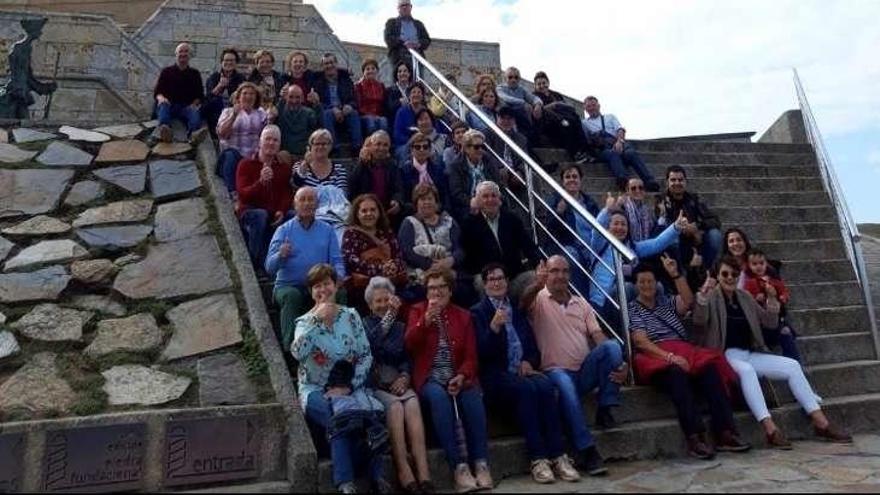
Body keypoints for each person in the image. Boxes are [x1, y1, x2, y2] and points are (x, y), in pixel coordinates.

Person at [693, 256, 852, 448]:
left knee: (792, 366)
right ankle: (770, 429)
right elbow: (699, 322)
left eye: (734, 274)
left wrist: (771, 299)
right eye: (725, 274)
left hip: (750, 353)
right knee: (747, 371)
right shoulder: (711, 297)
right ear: (717, 276)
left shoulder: (744, 297)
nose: (730, 278)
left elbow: (769, 322)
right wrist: (702, 295)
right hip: (725, 355)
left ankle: (821, 423)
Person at [472, 263, 581, 485]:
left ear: (507, 281)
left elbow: (531, 344)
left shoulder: (515, 309)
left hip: (521, 371)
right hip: (496, 376)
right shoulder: (477, 313)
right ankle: (538, 458)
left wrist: (528, 362)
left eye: (500, 278)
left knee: (546, 387)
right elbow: (481, 354)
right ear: (485, 285)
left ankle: (559, 456)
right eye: (491, 279)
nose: (497, 282)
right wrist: (493, 329)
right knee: (528, 390)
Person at [628, 261, 750, 460]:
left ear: (656, 283)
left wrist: (676, 275)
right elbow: (640, 341)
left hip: (682, 350)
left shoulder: (666, 301)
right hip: (657, 355)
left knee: (710, 369)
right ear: (635, 285)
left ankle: (725, 432)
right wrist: (669, 357)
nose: (647, 285)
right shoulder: (633, 309)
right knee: (677, 375)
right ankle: (694, 437)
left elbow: (688, 301)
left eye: (650, 281)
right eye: (642, 282)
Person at [520, 256, 624, 475]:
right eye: (554, 271)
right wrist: (537, 284)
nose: (560, 276)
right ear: (546, 273)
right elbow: (521, 304)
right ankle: (587, 450)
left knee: (613, 348)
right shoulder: (538, 299)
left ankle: (605, 405)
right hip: (554, 371)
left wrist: (618, 364)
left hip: (583, 370)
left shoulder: (581, 302)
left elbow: (596, 334)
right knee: (565, 385)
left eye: (565, 271)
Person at [291, 264, 389, 494]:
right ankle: (346, 483)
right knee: (340, 417)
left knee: (371, 412)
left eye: (327, 283)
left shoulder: (351, 315)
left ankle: (376, 478)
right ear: (311, 292)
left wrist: (350, 386)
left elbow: (365, 355)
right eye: (317, 285)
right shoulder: (304, 322)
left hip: (350, 386)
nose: (322, 289)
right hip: (316, 388)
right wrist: (317, 321)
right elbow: (297, 352)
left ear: (335, 286)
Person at [405, 268, 493, 493]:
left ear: (450, 290)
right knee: (439, 398)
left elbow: (471, 357)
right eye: (431, 288)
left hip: (457, 375)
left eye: (441, 287)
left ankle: (481, 463)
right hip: (430, 377)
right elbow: (409, 345)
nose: (436, 292)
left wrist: (462, 375)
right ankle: (459, 467)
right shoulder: (417, 311)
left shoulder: (463, 316)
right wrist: (424, 322)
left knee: (472, 397)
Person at [363, 277, 433, 493]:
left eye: (387, 299)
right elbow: (372, 347)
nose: (383, 305)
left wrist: (404, 376)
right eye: (378, 301)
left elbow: (405, 355)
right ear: (370, 305)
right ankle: (403, 470)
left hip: (398, 381)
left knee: (411, 403)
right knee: (394, 407)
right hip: (376, 383)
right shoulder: (364, 324)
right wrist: (389, 318)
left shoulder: (401, 325)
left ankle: (423, 472)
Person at [586, 194, 687, 329]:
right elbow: (596, 230)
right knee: (627, 288)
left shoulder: (632, 248)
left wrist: (676, 227)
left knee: (657, 287)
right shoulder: (600, 246)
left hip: (628, 300)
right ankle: (625, 333)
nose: (620, 227)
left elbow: (656, 244)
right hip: (602, 302)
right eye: (615, 223)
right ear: (608, 227)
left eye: (623, 224)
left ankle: (661, 323)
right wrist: (607, 210)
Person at [266, 187, 347, 351]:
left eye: (311, 200)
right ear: (295, 205)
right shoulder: (283, 230)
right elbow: (269, 267)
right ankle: (291, 348)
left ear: (317, 204)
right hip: (288, 286)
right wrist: (280, 255)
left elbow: (337, 260)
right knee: (292, 296)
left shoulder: (327, 230)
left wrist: (339, 276)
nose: (307, 203)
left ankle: (339, 342)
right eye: (302, 200)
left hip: (318, 284)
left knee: (339, 293)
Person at [461, 181, 540, 295]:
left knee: (536, 278)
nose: (490, 200)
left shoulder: (512, 219)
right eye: (485, 196)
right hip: (488, 277)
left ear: (499, 200)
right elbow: (469, 259)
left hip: (513, 276)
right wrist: (493, 275)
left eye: (494, 196)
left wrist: (539, 265)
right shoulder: (469, 224)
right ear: (477, 201)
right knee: (479, 282)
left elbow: (528, 246)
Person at [398, 183, 472, 305]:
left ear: (436, 202)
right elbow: (407, 252)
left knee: (463, 291)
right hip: (421, 273)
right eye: (422, 199)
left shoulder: (449, 221)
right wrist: (432, 266)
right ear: (416, 203)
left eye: (430, 199)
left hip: (449, 269)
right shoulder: (408, 223)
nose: (426, 202)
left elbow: (460, 248)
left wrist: (450, 261)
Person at [235, 124, 291, 269]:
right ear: (260, 142)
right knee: (260, 215)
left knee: (294, 216)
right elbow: (243, 195)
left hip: (273, 211)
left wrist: (282, 210)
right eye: (268, 139)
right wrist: (260, 182)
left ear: (280, 145)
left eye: (275, 140)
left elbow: (286, 193)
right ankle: (255, 265)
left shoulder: (283, 168)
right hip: (251, 211)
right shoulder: (245, 164)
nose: (271, 143)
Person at [342, 194, 409, 312]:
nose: (369, 214)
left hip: (390, 282)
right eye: (364, 211)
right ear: (357, 214)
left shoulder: (387, 232)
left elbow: (398, 257)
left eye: (373, 210)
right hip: (362, 286)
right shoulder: (350, 234)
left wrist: (392, 268)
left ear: (379, 212)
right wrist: (380, 269)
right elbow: (351, 261)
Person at [582, 96, 659, 192]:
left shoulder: (610, 117)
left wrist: (620, 142)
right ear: (585, 109)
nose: (592, 108)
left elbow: (620, 129)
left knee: (631, 153)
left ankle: (649, 181)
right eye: (589, 106)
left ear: (599, 106)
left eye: (593, 105)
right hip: (601, 149)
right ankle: (624, 182)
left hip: (616, 142)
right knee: (612, 154)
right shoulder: (584, 123)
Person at [659, 165, 723, 271]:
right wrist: (683, 229)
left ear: (685, 182)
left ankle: (704, 271)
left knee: (715, 235)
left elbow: (714, 220)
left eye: (680, 180)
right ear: (667, 182)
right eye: (673, 180)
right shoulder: (661, 201)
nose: (677, 183)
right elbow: (662, 224)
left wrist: (697, 227)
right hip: (677, 240)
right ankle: (680, 273)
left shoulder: (693, 199)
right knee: (673, 239)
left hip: (695, 240)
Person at [742, 249, 802, 363]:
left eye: (761, 263)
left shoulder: (774, 280)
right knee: (783, 332)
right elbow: (745, 299)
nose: (758, 266)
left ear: (766, 264)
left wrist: (782, 298)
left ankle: (794, 363)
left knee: (786, 332)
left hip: (777, 317)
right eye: (754, 264)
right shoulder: (750, 283)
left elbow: (784, 292)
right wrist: (755, 298)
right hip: (761, 320)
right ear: (749, 266)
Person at [216, 82, 270, 195]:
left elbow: (267, 134)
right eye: (245, 93)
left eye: (252, 94)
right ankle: (233, 193)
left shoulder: (261, 113)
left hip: (253, 156)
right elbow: (222, 134)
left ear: (256, 98)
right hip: (233, 154)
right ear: (239, 97)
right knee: (230, 155)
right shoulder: (228, 112)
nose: (248, 96)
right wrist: (234, 116)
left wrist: (271, 120)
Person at [544, 163, 600, 269]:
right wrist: (559, 213)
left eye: (575, 176)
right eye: (567, 177)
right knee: (571, 254)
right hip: (572, 247)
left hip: (592, 246)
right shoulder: (555, 200)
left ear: (580, 180)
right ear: (562, 182)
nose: (571, 180)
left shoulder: (589, 202)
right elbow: (549, 228)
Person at [348, 131, 405, 226]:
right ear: (370, 146)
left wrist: (397, 201)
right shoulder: (358, 166)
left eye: (385, 145)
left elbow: (398, 189)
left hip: (387, 210)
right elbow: (352, 190)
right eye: (378, 144)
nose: (381, 148)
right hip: (365, 210)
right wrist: (362, 162)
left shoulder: (393, 166)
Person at [153, 42, 206, 144]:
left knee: (194, 114)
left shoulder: (195, 74)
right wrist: (161, 99)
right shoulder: (166, 72)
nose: (183, 54)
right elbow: (158, 92)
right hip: (169, 105)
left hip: (186, 107)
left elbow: (200, 95)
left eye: (186, 51)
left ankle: (193, 135)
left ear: (190, 55)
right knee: (163, 106)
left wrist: (194, 104)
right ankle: (165, 131)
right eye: (180, 51)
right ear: (176, 54)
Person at [530, 71, 589, 161]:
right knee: (566, 125)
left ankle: (585, 150)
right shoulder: (534, 96)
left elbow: (565, 106)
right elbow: (537, 111)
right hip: (547, 122)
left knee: (575, 118)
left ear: (548, 83)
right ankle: (575, 154)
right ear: (535, 85)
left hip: (563, 117)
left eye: (544, 83)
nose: (542, 86)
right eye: (539, 84)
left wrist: (557, 105)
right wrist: (553, 105)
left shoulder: (556, 95)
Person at [312, 53, 363, 153]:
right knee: (327, 114)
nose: (329, 66)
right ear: (322, 66)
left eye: (331, 62)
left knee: (353, 113)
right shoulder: (318, 82)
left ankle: (357, 147)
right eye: (326, 63)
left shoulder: (345, 80)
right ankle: (333, 148)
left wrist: (349, 106)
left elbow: (354, 99)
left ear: (336, 63)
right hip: (327, 110)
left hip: (344, 109)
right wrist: (332, 108)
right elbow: (318, 102)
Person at [447, 130, 502, 221]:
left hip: (490, 200)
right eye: (476, 147)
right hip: (468, 205)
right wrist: (471, 201)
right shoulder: (456, 165)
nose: (480, 150)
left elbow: (498, 184)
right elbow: (456, 192)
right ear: (466, 148)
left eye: (482, 146)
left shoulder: (489, 161)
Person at [400, 132, 451, 214]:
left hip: (437, 212)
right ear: (411, 150)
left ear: (430, 150)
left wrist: (439, 208)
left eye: (425, 147)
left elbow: (445, 196)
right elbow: (404, 199)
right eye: (417, 147)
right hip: (413, 213)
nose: (422, 150)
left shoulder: (438, 170)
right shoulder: (403, 171)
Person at [291, 129, 349, 194]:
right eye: (317, 144)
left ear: (330, 146)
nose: (320, 147)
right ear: (310, 147)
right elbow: (295, 186)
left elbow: (342, 193)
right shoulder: (299, 166)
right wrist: (305, 164)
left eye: (324, 144)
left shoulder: (339, 169)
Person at [203, 48, 246, 134]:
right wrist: (219, 86)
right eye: (226, 60)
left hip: (233, 108)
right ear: (221, 62)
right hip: (215, 109)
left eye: (232, 60)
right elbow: (208, 97)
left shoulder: (241, 78)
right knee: (216, 102)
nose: (229, 63)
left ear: (236, 63)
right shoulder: (214, 77)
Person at [383, 0, 431, 71]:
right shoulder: (391, 23)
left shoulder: (418, 24)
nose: (405, 7)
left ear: (411, 7)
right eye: (402, 5)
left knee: (418, 81)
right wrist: (404, 43)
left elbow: (427, 40)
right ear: (398, 8)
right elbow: (388, 39)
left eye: (407, 5)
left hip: (417, 59)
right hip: (398, 59)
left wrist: (417, 44)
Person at [277, 84, 319, 160]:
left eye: (297, 97)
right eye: (291, 97)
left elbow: (318, 127)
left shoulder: (309, 113)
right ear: (286, 97)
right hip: (286, 154)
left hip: (304, 154)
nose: (294, 101)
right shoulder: (280, 111)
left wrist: (316, 104)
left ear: (302, 98)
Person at [486, 106, 529, 179]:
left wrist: (520, 172)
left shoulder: (521, 138)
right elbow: (487, 154)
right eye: (502, 118)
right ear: (497, 118)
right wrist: (499, 167)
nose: (506, 121)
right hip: (497, 169)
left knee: (533, 177)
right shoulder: (488, 134)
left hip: (514, 171)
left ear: (514, 120)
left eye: (509, 119)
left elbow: (525, 159)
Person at [496, 67, 541, 135]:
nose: (513, 80)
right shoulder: (500, 88)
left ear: (519, 79)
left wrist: (538, 104)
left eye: (516, 77)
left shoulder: (521, 89)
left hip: (522, 117)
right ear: (505, 78)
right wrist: (523, 103)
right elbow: (506, 98)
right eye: (510, 77)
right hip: (507, 116)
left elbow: (533, 98)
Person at [392, 83, 428, 157]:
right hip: (405, 145)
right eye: (413, 92)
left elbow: (434, 128)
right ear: (409, 95)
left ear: (422, 96)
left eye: (419, 92)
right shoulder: (401, 112)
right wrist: (412, 140)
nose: (416, 94)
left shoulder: (426, 112)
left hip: (425, 144)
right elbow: (397, 134)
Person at [355, 58, 389, 136]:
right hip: (365, 116)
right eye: (367, 69)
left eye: (373, 68)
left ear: (377, 71)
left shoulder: (381, 86)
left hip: (379, 115)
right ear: (363, 72)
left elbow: (384, 104)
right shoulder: (358, 86)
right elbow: (359, 104)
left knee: (384, 122)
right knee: (371, 123)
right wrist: (370, 114)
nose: (370, 71)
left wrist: (379, 115)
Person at [621, 178, 658, 243]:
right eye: (633, 188)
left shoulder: (647, 209)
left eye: (640, 188)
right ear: (627, 191)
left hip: (645, 246)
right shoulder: (623, 207)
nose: (637, 191)